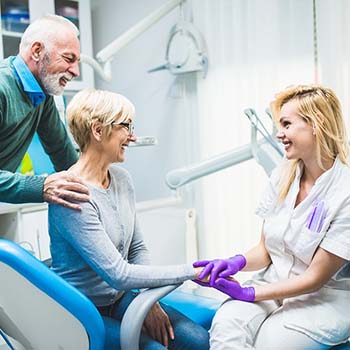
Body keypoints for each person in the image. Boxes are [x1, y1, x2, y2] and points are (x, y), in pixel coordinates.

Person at [48, 88, 209, 350]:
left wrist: (148, 299)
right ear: (98, 130)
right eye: (125, 126)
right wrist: (193, 271)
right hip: (83, 312)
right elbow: (118, 275)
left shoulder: (122, 179)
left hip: (123, 298)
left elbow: (137, 248)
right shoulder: (72, 193)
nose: (132, 136)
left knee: (199, 342)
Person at [193, 85, 350, 349]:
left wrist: (249, 293)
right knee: (226, 326)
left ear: (316, 124)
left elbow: (315, 278)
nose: (279, 134)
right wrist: (236, 262)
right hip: (273, 283)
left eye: (287, 124)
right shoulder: (282, 175)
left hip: (323, 299)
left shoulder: (344, 191)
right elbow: (266, 250)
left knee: (271, 341)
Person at [0, 14, 89, 210]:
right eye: (68, 59)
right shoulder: (2, 87)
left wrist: (91, 182)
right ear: (37, 51)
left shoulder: (42, 96)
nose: (76, 71)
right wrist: (42, 187)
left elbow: (62, 151)